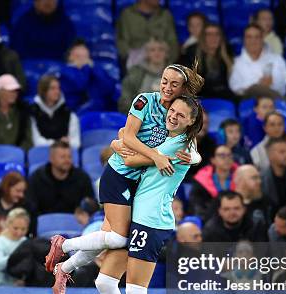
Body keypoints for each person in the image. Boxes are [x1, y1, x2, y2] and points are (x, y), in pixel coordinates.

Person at [44, 64, 204, 281]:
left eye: (174, 84)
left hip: (138, 180)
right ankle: (63, 244)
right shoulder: (145, 101)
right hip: (120, 173)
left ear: (183, 88)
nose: (166, 87)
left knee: (107, 236)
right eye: (164, 81)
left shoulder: (179, 113)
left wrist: (194, 158)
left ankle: (64, 269)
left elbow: (190, 147)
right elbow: (127, 137)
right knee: (118, 238)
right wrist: (155, 156)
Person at [27, 140, 94, 218]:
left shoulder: (82, 178)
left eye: (69, 157)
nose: (67, 160)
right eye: (62, 157)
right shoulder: (36, 178)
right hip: (44, 224)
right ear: (51, 159)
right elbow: (31, 207)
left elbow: (89, 204)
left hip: (75, 224)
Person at [229, 24, 286, 99]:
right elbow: (235, 88)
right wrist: (259, 85)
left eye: (257, 37)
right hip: (249, 102)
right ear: (244, 39)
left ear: (262, 39)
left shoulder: (276, 59)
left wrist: (272, 83)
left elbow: (284, 84)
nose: (253, 41)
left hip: (274, 102)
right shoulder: (236, 62)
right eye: (249, 37)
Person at [116, 0, 179, 68]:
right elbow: (122, 42)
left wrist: (166, 62)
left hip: (161, 64)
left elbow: (173, 43)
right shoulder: (127, 14)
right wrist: (135, 58)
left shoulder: (165, 15)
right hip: (135, 64)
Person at [180, 23, 234, 99]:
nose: (213, 38)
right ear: (203, 37)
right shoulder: (191, 53)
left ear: (221, 37)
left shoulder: (227, 52)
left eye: (217, 34)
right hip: (200, 96)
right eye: (209, 34)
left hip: (224, 95)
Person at [59, 41, 116, 112]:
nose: (83, 51)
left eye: (84, 49)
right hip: (78, 112)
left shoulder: (95, 68)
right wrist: (85, 67)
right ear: (70, 56)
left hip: (102, 111)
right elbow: (80, 85)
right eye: (79, 49)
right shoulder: (65, 72)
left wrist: (93, 67)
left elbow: (109, 87)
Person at [118, 39, 170, 114]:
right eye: (153, 50)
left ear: (166, 53)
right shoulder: (136, 73)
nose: (157, 53)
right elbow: (125, 99)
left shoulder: (175, 74)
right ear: (147, 53)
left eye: (161, 49)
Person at [11, 0, 75, 60]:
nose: (48, 2)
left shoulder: (66, 24)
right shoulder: (23, 23)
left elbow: (70, 51)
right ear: (36, 2)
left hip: (59, 68)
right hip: (29, 67)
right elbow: (17, 51)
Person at [189, 144, 237, 222]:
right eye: (222, 156)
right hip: (209, 220)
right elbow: (196, 206)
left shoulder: (240, 176)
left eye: (229, 155)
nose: (227, 159)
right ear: (213, 160)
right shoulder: (201, 180)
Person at [30, 75, 80, 147]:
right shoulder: (33, 113)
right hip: (41, 154)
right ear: (43, 91)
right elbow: (36, 142)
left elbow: (76, 143)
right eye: (52, 88)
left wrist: (64, 143)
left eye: (58, 88)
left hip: (64, 155)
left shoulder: (69, 114)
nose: (57, 91)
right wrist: (59, 143)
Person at [202, 191, 268, 243]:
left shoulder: (256, 226)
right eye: (226, 209)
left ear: (244, 209)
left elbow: (264, 255)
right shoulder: (210, 231)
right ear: (220, 211)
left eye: (236, 208)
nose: (232, 213)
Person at [0, 208, 30, 286]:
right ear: (8, 224)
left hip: (21, 288)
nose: (19, 232)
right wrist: (18, 257)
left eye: (23, 229)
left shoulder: (26, 242)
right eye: (15, 228)